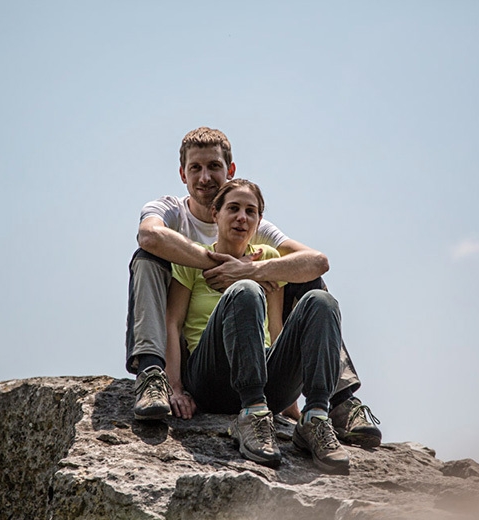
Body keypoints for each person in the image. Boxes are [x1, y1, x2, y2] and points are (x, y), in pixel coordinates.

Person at [125, 127, 380, 449]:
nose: (205, 177)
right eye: (196, 168)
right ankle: (152, 374)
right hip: (200, 358)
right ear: (182, 174)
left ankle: (336, 401)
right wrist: (217, 265)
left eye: (214, 167)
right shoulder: (169, 210)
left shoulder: (253, 224)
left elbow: (316, 262)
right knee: (147, 257)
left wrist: (250, 269)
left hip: (256, 347)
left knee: (311, 287)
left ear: (229, 170)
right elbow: (149, 236)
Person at [165, 179, 352, 473]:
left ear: (259, 220)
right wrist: (174, 387)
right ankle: (250, 415)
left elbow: (275, 327)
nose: (242, 217)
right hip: (210, 379)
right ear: (215, 213)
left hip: (264, 380)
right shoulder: (195, 257)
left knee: (321, 301)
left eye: (251, 211)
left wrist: (289, 395)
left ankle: (316, 417)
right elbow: (173, 325)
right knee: (245, 291)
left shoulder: (268, 259)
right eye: (234, 208)